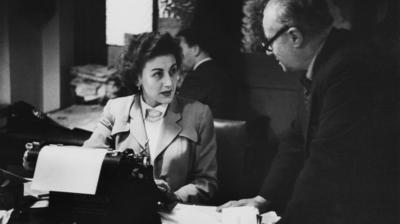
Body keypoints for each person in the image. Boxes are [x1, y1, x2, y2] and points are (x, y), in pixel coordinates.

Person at [218, 0, 398, 223]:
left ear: (295, 37)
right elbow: (294, 142)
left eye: (269, 42)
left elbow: (326, 165)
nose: (269, 53)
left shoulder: (348, 69)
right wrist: (262, 199)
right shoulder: (324, 65)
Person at [84, 32, 218, 204]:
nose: (169, 82)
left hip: (174, 213)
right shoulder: (115, 109)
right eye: (158, 74)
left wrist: (174, 197)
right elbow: (89, 160)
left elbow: (207, 181)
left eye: (173, 71)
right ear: (137, 78)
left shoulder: (199, 114)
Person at [177, 28, 235, 119]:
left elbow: (179, 113)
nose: (177, 56)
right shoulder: (221, 72)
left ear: (195, 49)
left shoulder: (196, 78)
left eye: (180, 50)